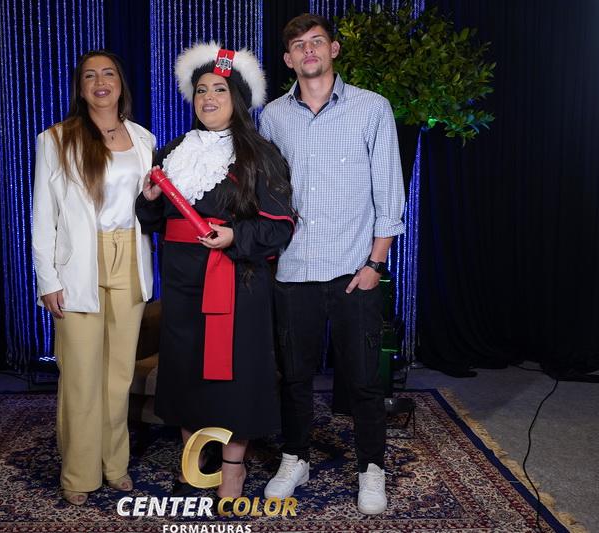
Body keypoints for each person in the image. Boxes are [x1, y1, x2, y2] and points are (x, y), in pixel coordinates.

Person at [259, 14, 405, 515]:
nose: (309, 51)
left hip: (354, 271)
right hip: (293, 271)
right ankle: (295, 458)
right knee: (294, 378)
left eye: (316, 41)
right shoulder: (272, 117)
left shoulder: (371, 108)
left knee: (364, 380)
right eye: (298, 45)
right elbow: (268, 195)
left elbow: (389, 192)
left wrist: (375, 264)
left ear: (334, 49)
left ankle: (371, 468)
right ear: (288, 59)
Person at [135, 42, 294, 499]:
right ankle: (194, 457)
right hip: (182, 282)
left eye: (219, 89)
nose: (208, 97)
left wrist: (234, 237)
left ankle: (232, 468)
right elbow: (153, 220)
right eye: (202, 89)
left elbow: (280, 226)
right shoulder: (173, 151)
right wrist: (148, 201)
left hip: (237, 280)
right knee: (186, 370)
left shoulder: (260, 154)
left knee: (233, 374)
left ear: (237, 97)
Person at [31, 50, 156, 506]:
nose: (100, 82)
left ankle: (114, 464)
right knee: (82, 374)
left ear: (120, 83)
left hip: (130, 259)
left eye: (108, 74)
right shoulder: (56, 139)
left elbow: (147, 207)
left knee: (119, 375)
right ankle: (79, 474)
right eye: (90, 76)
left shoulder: (143, 138)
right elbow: (42, 216)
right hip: (78, 265)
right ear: (81, 88)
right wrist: (48, 279)